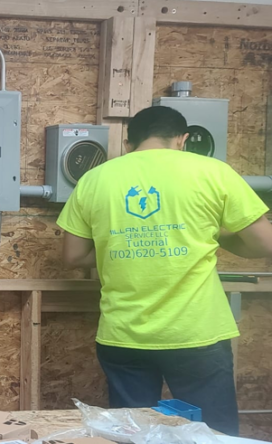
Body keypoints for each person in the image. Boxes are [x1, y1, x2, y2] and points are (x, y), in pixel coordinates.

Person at [57, 106, 272, 436]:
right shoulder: (214, 172)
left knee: (133, 434)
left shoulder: (94, 179)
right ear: (182, 140)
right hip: (196, 333)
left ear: (129, 144)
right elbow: (264, 244)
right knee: (211, 434)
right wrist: (211, 236)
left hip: (124, 334)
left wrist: (119, 248)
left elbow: (74, 256)